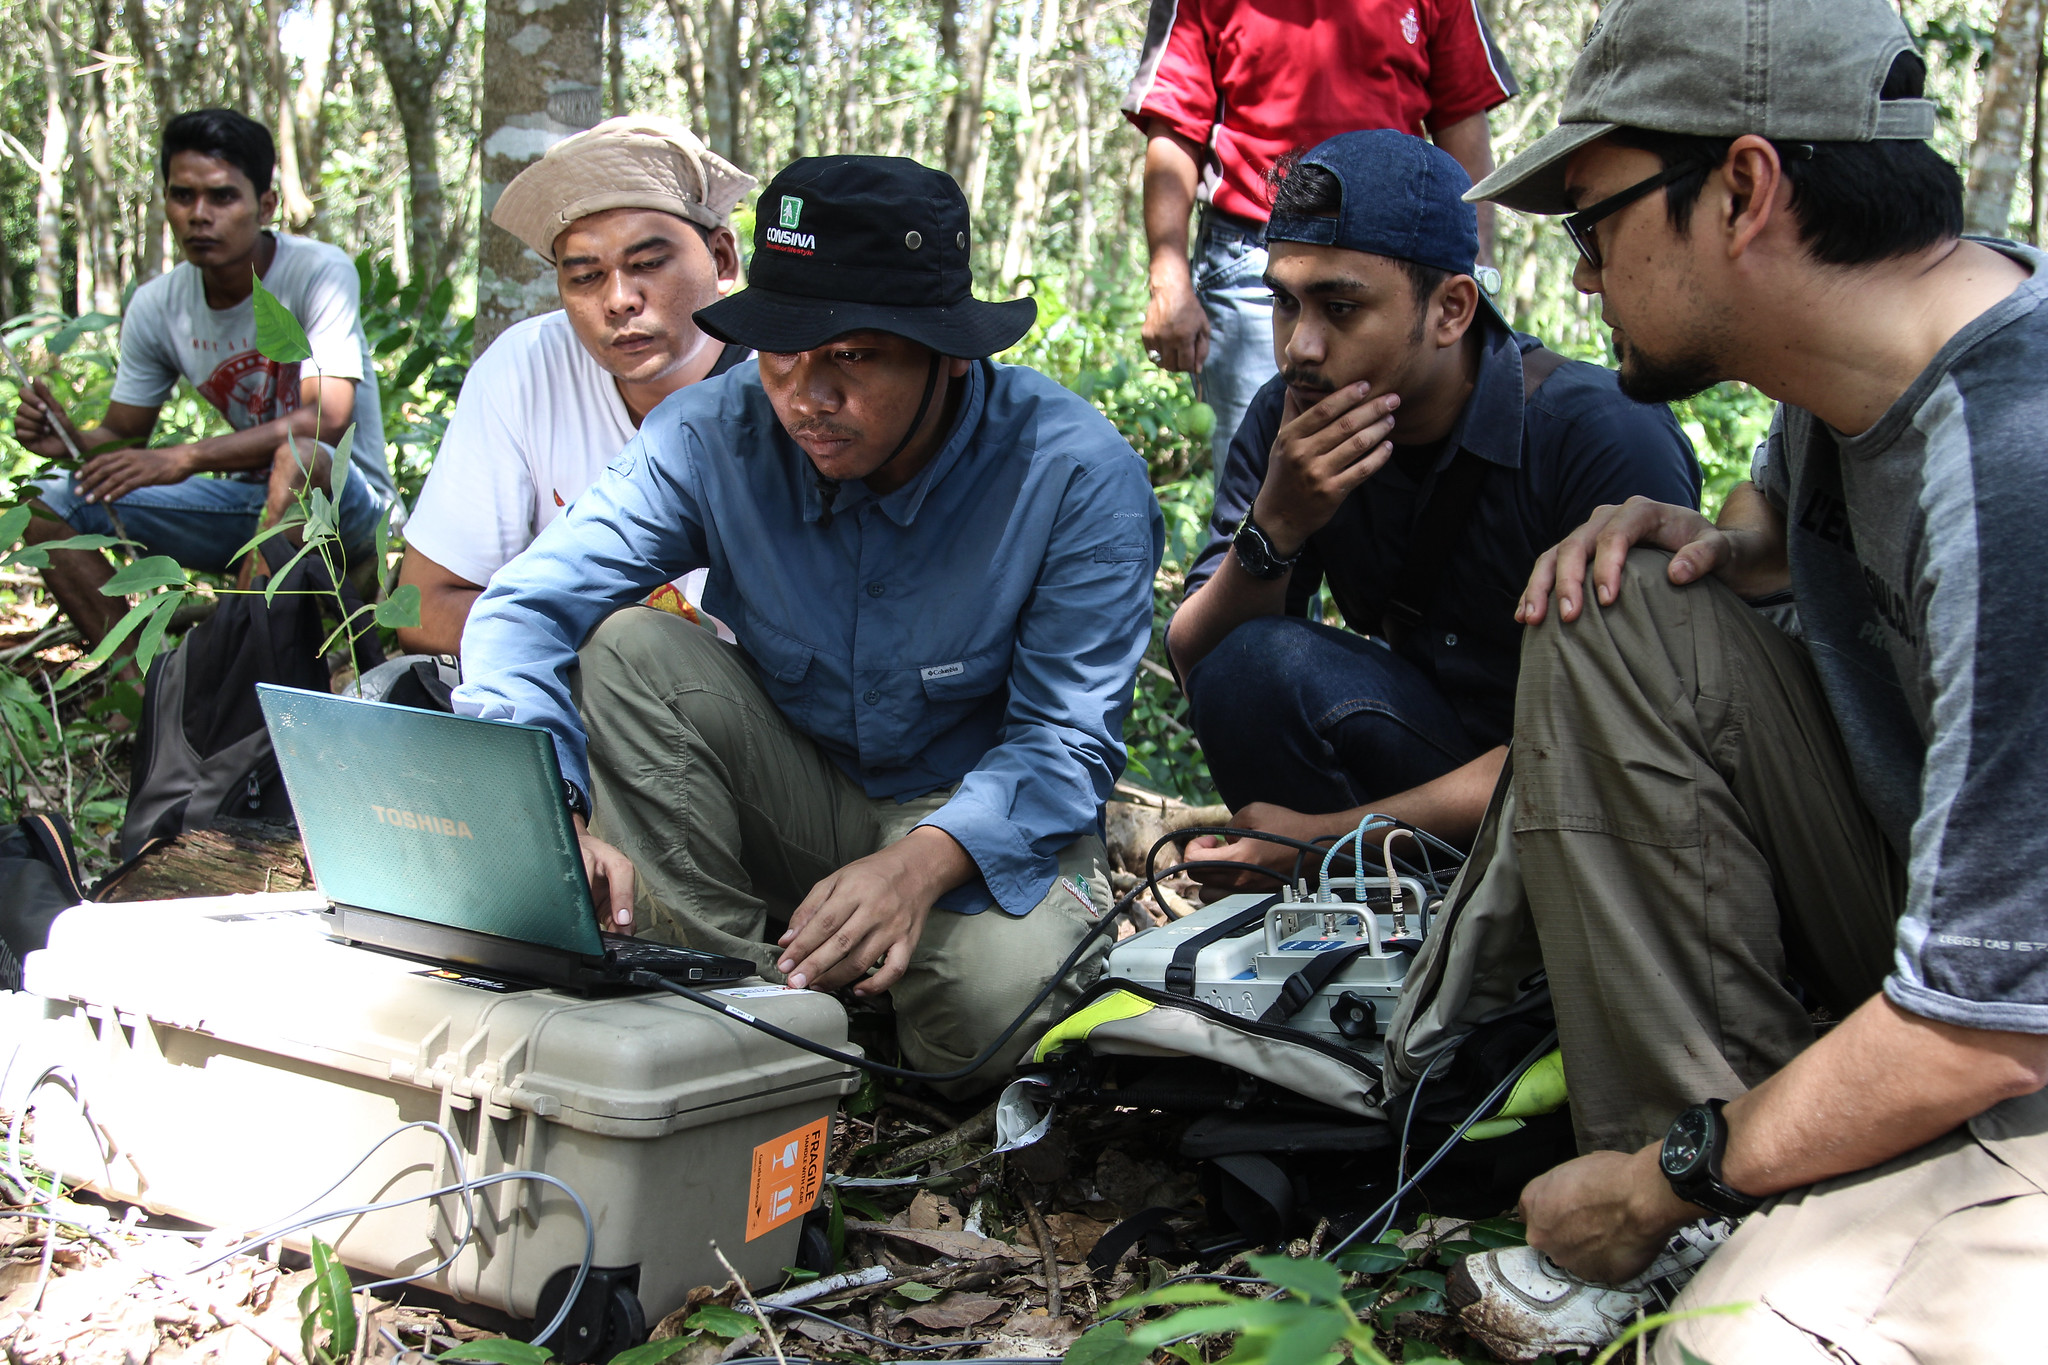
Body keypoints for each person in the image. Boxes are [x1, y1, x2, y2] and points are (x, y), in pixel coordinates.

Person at [1426, 1, 2048, 1359]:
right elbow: (1790, 532)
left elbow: (1991, 1027)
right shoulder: (1848, 371)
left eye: (1592, 222)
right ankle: (1728, 1198)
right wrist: (1714, 541)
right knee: (1614, 608)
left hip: (2014, 1026)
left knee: (1736, 1347)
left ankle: (1703, 1210)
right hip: (1966, 941)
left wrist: (1663, 1178)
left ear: (1746, 188)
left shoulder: (2015, 463)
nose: (1582, 276)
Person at [452, 156, 1164, 1093]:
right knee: (626, 647)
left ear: (948, 352)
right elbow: (523, 606)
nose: (806, 397)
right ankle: (740, 1022)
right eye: (782, 352)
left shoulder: (1073, 474)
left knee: (997, 1018)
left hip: (972, 820)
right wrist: (547, 810)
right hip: (796, 784)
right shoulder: (715, 433)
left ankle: (883, 1001)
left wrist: (918, 867)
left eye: (854, 358)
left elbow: (1065, 742)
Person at [1167, 129, 1697, 884]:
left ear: (1451, 309)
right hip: (1421, 770)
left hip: (1590, 815)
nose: (1301, 348)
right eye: (1285, 302)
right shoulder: (1291, 415)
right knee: (1248, 666)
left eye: (1341, 308)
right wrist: (1274, 530)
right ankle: (1366, 944)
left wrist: (1324, 837)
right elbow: (1198, 661)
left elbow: (1629, 744)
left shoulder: (1598, 435)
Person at [14, 108, 392, 647]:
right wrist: (69, 440)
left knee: (300, 455)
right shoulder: (157, 306)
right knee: (46, 506)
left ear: (265, 205)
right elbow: (122, 440)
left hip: (344, 508)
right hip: (246, 509)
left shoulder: (317, 273)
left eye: (221, 197)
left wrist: (184, 458)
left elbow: (326, 420)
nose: (198, 214)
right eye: (182, 195)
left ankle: (229, 677)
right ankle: (145, 694)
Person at [395, 117, 756, 655]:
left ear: (721, 259)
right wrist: (604, 652)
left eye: (649, 263)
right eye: (585, 276)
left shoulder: (788, 380)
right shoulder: (526, 367)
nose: (618, 300)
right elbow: (424, 604)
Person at [1125, 0, 1519, 476]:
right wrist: (1169, 281)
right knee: (1266, 470)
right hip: (1258, 258)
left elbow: (1461, 119)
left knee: (1410, 460)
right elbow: (1176, 124)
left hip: (1396, 268)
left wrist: (1476, 271)